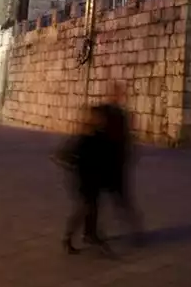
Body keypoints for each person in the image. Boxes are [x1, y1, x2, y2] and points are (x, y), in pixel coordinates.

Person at [54, 106, 111, 255]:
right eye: (99, 117)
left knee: (93, 207)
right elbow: (62, 154)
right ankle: (67, 239)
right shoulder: (83, 137)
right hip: (82, 180)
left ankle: (90, 234)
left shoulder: (99, 134)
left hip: (94, 179)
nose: (102, 120)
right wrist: (73, 165)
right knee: (83, 210)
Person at [97, 81, 144, 244]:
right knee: (96, 201)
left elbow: (126, 137)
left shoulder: (122, 114)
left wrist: (129, 153)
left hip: (116, 164)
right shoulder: (104, 111)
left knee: (122, 200)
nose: (120, 97)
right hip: (104, 163)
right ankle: (90, 232)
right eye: (118, 93)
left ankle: (135, 231)